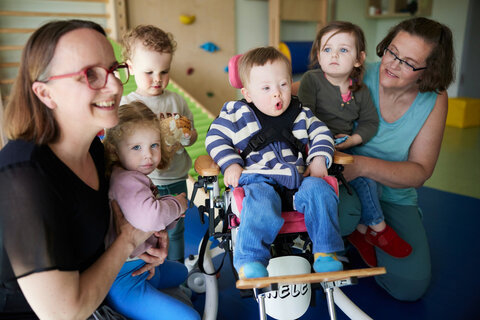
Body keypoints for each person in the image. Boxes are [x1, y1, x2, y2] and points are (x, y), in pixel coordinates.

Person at [0, 20, 165, 318]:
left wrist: (145, 239)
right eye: (90, 75)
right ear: (45, 93)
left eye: (114, 70)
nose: (115, 86)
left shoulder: (93, 148)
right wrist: (127, 239)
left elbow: (87, 235)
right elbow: (64, 313)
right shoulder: (22, 175)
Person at [336, 17, 455, 301]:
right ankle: (351, 230)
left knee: (409, 286)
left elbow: (420, 171)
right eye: (392, 51)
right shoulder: (358, 74)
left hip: (393, 196)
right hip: (344, 185)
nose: (392, 64)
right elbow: (302, 90)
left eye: (408, 62)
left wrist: (362, 166)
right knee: (342, 214)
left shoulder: (435, 100)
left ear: (428, 72)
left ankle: (362, 232)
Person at [206, 46, 344, 279]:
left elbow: (322, 133)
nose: (277, 94)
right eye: (266, 88)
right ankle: (251, 260)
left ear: (291, 83)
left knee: (320, 190)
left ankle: (326, 253)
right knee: (260, 201)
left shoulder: (301, 113)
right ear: (248, 93)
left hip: (299, 182)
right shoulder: (236, 114)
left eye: (283, 85)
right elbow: (215, 137)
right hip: (259, 180)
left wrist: (319, 158)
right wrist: (230, 163)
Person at [297, 21, 411, 268]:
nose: (334, 55)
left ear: (359, 59)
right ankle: (376, 228)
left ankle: (366, 231)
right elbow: (305, 116)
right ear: (318, 55)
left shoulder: (359, 90)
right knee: (353, 189)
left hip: (344, 150)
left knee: (368, 181)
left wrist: (353, 140)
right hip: (315, 151)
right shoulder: (312, 80)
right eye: (327, 50)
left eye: (343, 50)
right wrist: (325, 141)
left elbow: (370, 123)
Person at [103, 101, 200, 320]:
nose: (148, 155)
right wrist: (178, 204)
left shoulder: (131, 175)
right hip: (125, 278)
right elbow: (151, 218)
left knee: (182, 272)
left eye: (154, 145)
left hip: (143, 264)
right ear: (115, 150)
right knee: (190, 318)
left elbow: (151, 221)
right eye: (136, 147)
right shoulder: (126, 181)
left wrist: (171, 212)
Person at [121, 25, 198, 263]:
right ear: (131, 68)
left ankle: (176, 272)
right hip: (144, 181)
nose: (158, 79)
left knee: (176, 232)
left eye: (164, 72)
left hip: (175, 177)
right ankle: (152, 270)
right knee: (145, 232)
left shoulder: (176, 100)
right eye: (149, 72)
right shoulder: (127, 104)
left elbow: (192, 136)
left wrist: (187, 135)